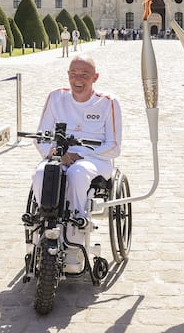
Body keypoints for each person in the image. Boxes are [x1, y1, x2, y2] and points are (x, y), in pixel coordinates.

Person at [31, 55, 122, 273]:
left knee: (77, 174)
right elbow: (41, 137)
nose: (77, 79)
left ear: (95, 77)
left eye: (84, 75)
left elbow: (114, 146)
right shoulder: (56, 98)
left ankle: (75, 238)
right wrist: (57, 154)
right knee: (41, 173)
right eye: (73, 74)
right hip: (61, 155)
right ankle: (40, 233)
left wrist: (80, 155)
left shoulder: (107, 102)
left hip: (95, 159)